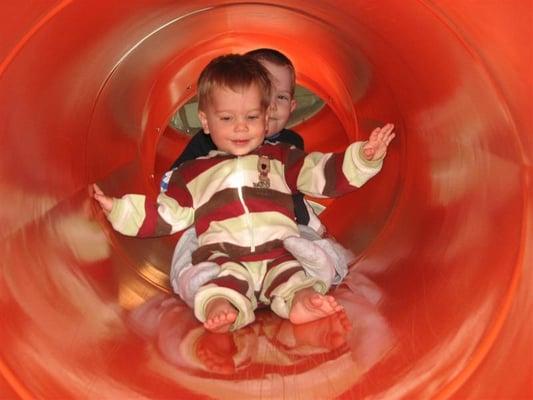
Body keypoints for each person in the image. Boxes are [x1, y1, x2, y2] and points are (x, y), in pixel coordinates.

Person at [93, 54, 395, 333]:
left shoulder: (281, 157)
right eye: (226, 118)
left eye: (251, 117)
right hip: (225, 255)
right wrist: (120, 210)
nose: (240, 127)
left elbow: (321, 175)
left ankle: (303, 302)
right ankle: (221, 309)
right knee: (219, 285)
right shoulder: (193, 172)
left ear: (266, 118)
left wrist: (363, 159)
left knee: (295, 279)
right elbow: (167, 212)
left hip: (278, 250)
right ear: (205, 121)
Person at [166, 49, 352, 307]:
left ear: (293, 106)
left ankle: (309, 287)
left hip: (277, 231)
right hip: (220, 232)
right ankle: (200, 285)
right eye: (264, 94)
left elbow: (303, 187)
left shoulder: (289, 144)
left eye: (282, 97)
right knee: (189, 246)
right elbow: (176, 180)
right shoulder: (210, 141)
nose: (273, 105)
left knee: (308, 241)